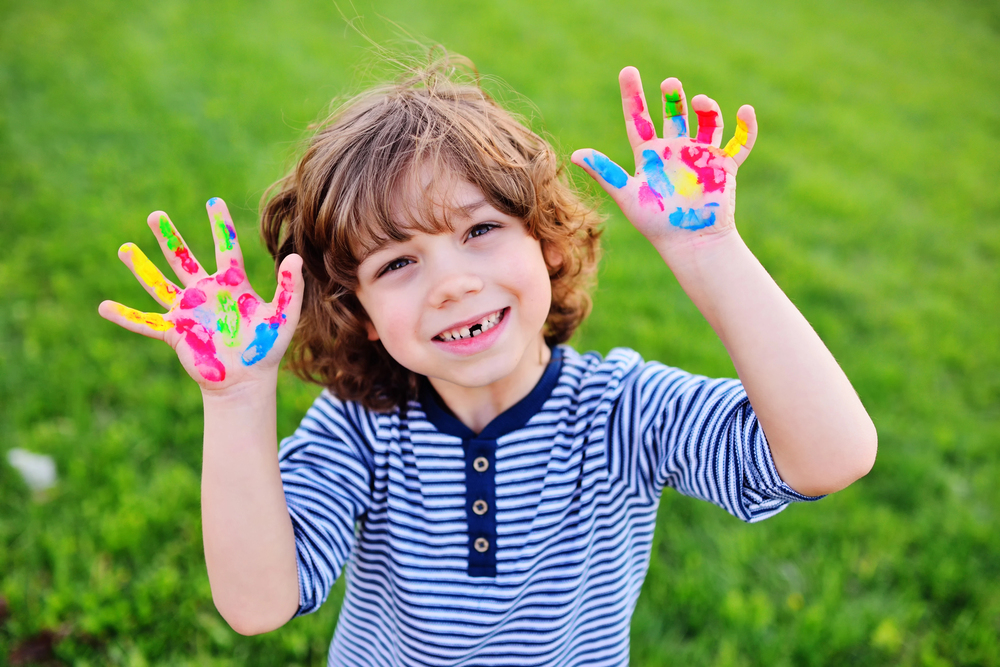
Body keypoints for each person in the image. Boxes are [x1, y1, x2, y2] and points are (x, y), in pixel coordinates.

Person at [99, 53, 877, 666]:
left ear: (544, 241)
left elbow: (829, 456)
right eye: (397, 264)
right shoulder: (361, 430)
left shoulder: (622, 409)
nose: (453, 283)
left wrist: (710, 249)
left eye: (478, 232)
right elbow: (258, 602)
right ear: (361, 313)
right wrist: (236, 399)